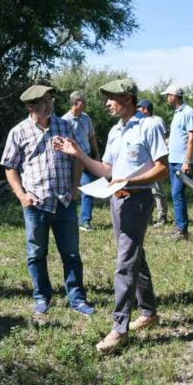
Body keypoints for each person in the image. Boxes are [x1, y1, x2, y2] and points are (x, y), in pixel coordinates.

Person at [53, 79, 169, 353]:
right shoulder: (116, 131)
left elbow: (162, 169)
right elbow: (106, 169)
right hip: (117, 201)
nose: (106, 103)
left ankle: (119, 328)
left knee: (124, 262)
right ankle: (149, 312)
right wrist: (78, 153)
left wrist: (130, 182)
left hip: (137, 200)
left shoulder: (150, 125)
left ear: (127, 98)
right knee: (133, 255)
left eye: (111, 98)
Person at [1, 85, 94, 317]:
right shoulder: (19, 132)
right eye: (43, 101)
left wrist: (74, 188)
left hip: (64, 202)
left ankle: (77, 299)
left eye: (50, 99)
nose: (49, 104)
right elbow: (10, 167)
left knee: (71, 254)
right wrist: (22, 195)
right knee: (36, 254)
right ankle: (42, 297)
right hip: (36, 205)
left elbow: (77, 160)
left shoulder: (65, 126)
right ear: (30, 106)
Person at [162, 84, 193, 239]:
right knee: (175, 194)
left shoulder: (188, 112)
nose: (166, 98)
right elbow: (180, 134)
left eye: (167, 95)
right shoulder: (177, 113)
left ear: (174, 96)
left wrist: (187, 161)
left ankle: (182, 229)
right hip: (173, 159)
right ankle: (180, 226)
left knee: (177, 194)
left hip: (181, 162)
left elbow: (192, 138)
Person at [61, 90, 101, 232]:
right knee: (72, 189)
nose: (86, 104)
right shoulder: (64, 121)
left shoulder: (86, 118)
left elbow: (91, 137)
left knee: (89, 188)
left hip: (88, 156)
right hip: (73, 160)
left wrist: (96, 155)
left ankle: (85, 220)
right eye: (84, 101)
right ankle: (68, 219)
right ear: (76, 103)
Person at [137, 99, 170, 227]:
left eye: (139, 108)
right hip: (144, 161)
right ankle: (147, 216)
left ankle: (162, 216)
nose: (137, 110)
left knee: (157, 190)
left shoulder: (157, 121)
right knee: (146, 191)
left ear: (145, 109)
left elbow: (163, 139)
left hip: (155, 160)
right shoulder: (140, 122)